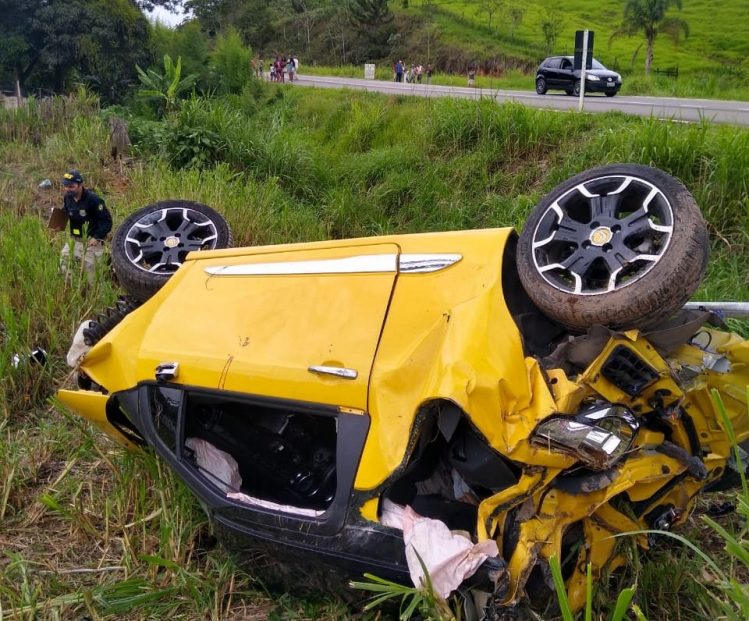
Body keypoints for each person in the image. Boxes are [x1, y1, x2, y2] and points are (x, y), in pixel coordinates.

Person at [59, 170, 112, 284]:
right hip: (75, 240)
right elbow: (66, 212)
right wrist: (57, 221)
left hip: (92, 242)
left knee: (92, 276)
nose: (68, 189)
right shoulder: (67, 198)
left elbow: (107, 222)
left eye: (71, 186)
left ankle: (96, 298)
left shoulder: (93, 200)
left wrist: (96, 237)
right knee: (64, 263)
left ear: (80, 185)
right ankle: (76, 291)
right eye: (66, 186)